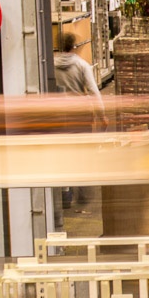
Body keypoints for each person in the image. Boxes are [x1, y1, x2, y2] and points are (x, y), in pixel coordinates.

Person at [53, 32, 106, 213]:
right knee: (82, 153)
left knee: (62, 154)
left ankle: (65, 193)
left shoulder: (51, 64)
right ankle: (82, 194)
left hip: (59, 116)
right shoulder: (82, 65)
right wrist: (102, 115)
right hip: (80, 116)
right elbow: (93, 91)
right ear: (74, 46)